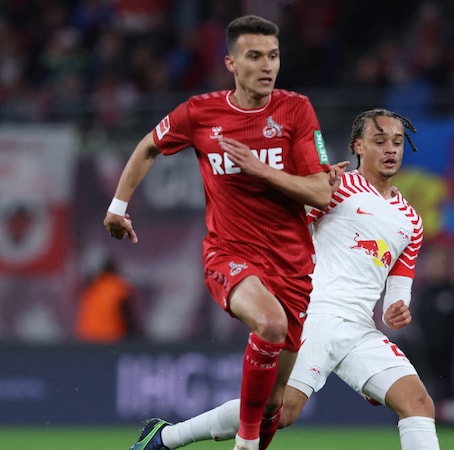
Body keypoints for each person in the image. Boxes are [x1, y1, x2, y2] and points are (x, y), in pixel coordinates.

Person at [129, 108, 440, 450]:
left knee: (418, 403)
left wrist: (398, 306)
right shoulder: (336, 187)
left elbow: (399, 281)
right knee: (280, 411)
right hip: (316, 314)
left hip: (359, 328)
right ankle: (166, 437)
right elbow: (282, 221)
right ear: (358, 146)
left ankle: (164, 436)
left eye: (396, 142)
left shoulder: (410, 220)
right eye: (379, 141)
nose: (390, 149)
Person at [106, 15, 340, 450]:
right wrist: (119, 206)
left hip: (292, 266)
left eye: (273, 56)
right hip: (229, 254)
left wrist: (259, 168)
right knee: (269, 323)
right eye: (254, 56)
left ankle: (164, 439)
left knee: (276, 407)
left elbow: (319, 193)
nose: (267, 66)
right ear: (231, 63)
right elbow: (149, 146)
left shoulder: (296, 109)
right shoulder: (200, 112)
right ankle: (245, 444)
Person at [415, 244, 454, 398]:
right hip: (427, 348)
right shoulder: (425, 292)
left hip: (448, 348)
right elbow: (419, 317)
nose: (436, 268)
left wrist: (448, 336)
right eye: (434, 263)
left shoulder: (452, 291)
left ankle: (448, 410)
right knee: (427, 381)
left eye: (440, 263)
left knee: (447, 382)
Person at [74, 256, 140, 343]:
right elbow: (127, 313)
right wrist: (135, 335)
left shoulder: (93, 286)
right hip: (111, 338)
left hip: (87, 338)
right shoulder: (118, 286)